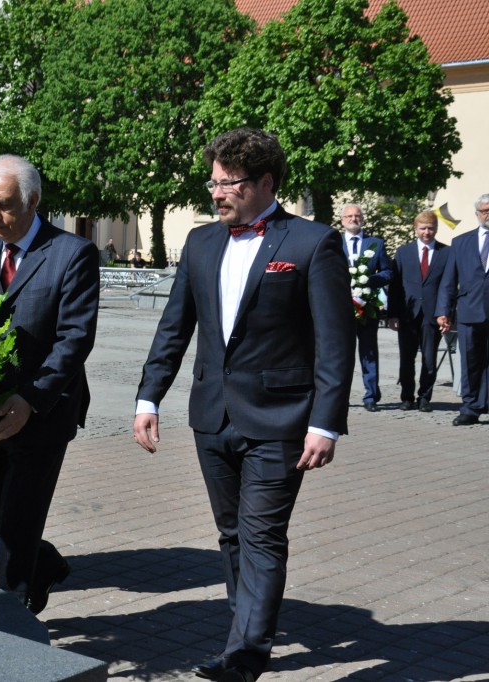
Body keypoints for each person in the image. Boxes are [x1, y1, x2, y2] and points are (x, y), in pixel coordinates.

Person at [133, 128, 354, 682]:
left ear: (265, 183)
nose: (216, 193)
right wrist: (148, 396)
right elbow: (173, 328)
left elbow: (334, 342)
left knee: (260, 534)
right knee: (231, 534)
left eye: (228, 183)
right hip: (213, 414)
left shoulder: (311, 243)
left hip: (281, 420)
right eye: (213, 182)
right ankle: (244, 632)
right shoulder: (202, 243)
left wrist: (325, 423)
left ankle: (244, 656)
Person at [0, 154, 100, 614]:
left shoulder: (72, 254)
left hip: (41, 414)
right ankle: (44, 563)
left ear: (33, 200)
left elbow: (74, 340)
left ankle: (9, 623)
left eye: (5, 205)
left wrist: (30, 400)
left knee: (17, 523)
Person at [387, 211, 450, 412]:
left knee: (429, 360)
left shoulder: (446, 253)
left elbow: (448, 286)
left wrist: (445, 313)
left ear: (436, 229)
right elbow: (395, 286)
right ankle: (407, 397)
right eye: (422, 228)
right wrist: (392, 314)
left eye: (431, 228)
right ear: (415, 229)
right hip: (408, 313)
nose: (427, 232)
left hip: (433, 315)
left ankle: (424, 397)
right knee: (407, 359)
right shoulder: (403, 252)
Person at [436, 193, 489, 426]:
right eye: (485, 211)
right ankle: (470, 407)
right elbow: (449, 280)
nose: (488, 215)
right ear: (477, 214)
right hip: (469, 310)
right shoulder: (461, 242)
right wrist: (443, 311)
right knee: (470, 361)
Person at [340, 204, 394, 412]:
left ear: (363, 218)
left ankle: (371, 396)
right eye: (349, 216)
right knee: (343, 354)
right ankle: (341, 396)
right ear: (342, 220)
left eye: (357, 215)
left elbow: (388, 273)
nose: (354, 219)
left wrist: (368, 280)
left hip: (367, 307)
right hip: (341, 307)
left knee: (369, 351)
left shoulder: (376, 244)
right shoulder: (334, 243)